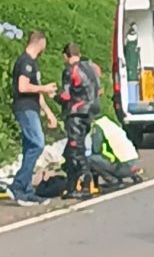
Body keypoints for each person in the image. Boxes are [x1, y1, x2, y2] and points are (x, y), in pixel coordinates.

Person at [8, 30, 58, 206]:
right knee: (38, 143)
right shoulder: (25, 62)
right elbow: (23, 87)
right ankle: (18, 184)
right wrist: (44, 88)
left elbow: (37, 92)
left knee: (30, 147)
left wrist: (48, 113)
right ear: (40, 42)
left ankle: (27, 191)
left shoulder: (34, 64)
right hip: (25, 108)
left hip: (33, 107)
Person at [54, 42, 102, 200]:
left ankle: (86, 182)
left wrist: (53, 96)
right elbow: (99, 89)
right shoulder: (92, 67)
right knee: (71, 150)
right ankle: (72, 184)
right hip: (91, 111)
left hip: (76, 113)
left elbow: (66, 96)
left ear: (65, 56)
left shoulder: (70, 70)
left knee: (76, 150)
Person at [87, 115, 143, 188]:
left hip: (122, 167)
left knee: (90, 159)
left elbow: (96, 149)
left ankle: (113, 180)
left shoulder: (97, 127)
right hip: (133, 161)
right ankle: (134, 176)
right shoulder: (109, 122)